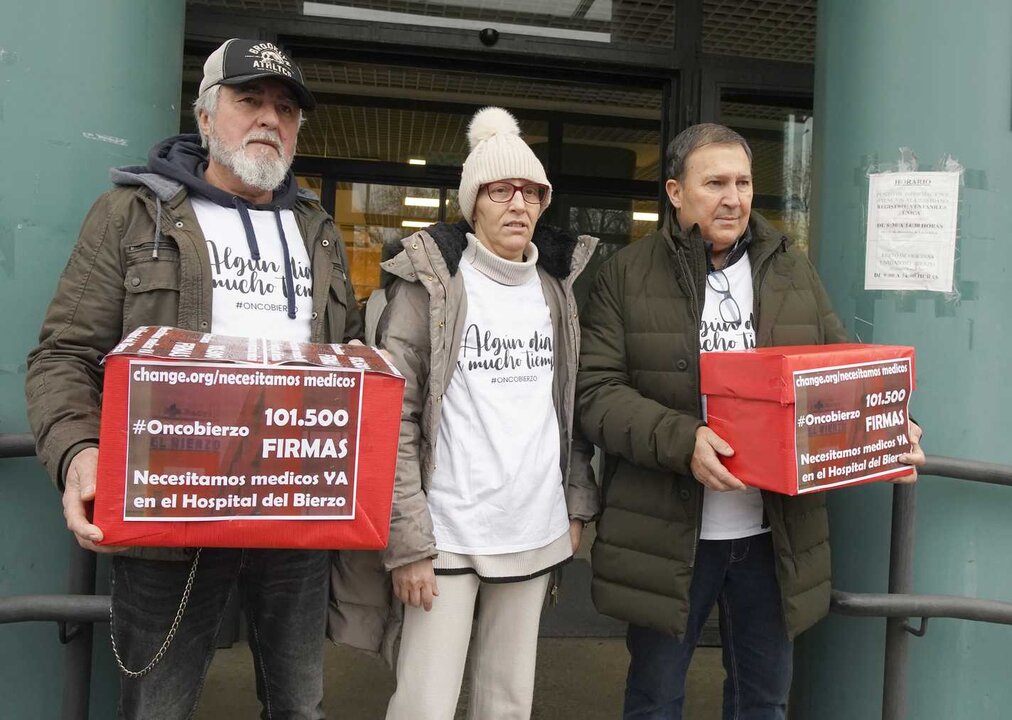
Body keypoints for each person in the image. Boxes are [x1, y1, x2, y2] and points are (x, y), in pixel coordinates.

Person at [25, 39, 361, 719]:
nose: (270, 117)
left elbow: (343, 362)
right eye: (249, 100)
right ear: (206, 118)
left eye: (286, 107)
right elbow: (62, 354)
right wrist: (79, 455)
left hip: (293, 518)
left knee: (300, 706)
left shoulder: (317, 230)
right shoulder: (133, 214)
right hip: (171, 514)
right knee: (158, 707)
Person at [575, 123, 925, 719]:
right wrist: (683, 440)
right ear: (675, 192)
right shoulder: (625, 275)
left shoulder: (792, 269)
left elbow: (841, 374)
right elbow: (596, 393)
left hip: (773, 536)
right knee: (655, 699)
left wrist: (891, 428)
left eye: (743, 182)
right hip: (667, 534)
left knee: (762, 700)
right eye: (714, 182)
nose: (733, 197)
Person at [331, 106, 599, 720]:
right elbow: (393, 416)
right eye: (501, 190)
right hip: (446, 535)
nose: (518, 204)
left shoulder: (556, 288)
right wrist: (408, 544)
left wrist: (575, 503)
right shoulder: (431, 285)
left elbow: (571, 409)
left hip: (533, 524)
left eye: (532, 192)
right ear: (473, 202)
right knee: (425, 702)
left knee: (508, 701)